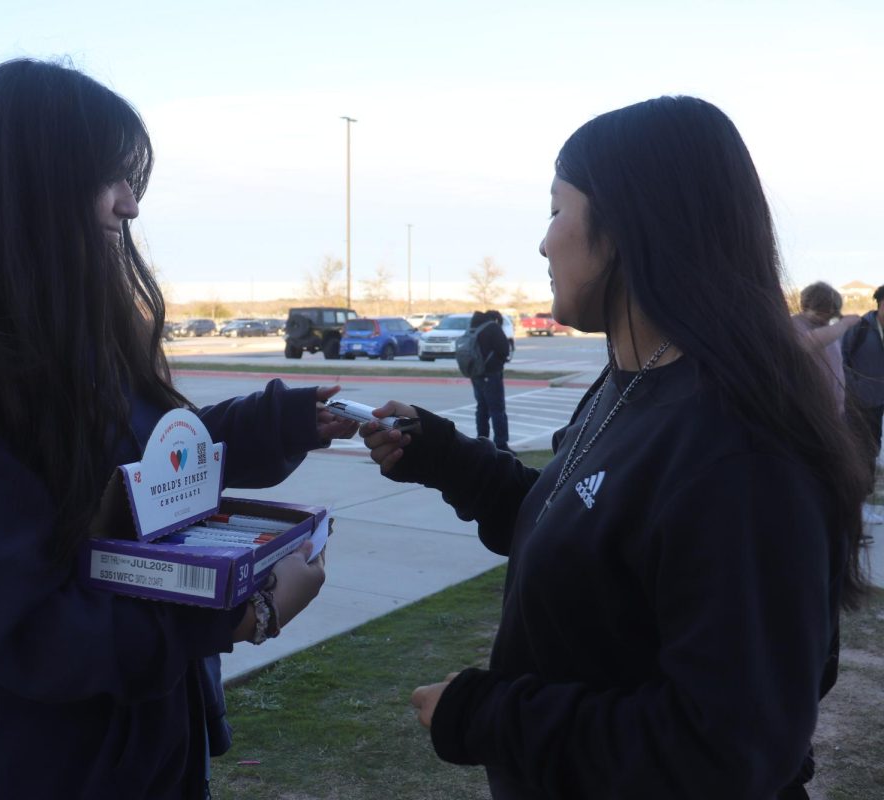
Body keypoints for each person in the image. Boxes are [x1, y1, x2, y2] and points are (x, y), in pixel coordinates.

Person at [0, 58, 355, 800]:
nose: (129, 205)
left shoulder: (71, 328)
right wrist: (241, 615)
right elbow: (36, 633)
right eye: (110, 177)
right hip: (34, 771)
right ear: (31, 185)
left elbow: (146, 468)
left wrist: (280, 423)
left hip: (146, 755)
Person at [359, 96, 871, 799]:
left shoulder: (740, 450)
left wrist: (486, 715)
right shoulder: (631, 382)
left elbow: (727, 750)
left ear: (627, 224)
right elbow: (581, 531)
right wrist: (441, 456)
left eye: (555, 209)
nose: (542, 244)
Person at [791, 281, 859, 412]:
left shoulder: (829, 328)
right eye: (823, 312)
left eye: (832, 313)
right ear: (806, 306)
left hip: (835, 410)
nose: (827, 318)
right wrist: (843, 324)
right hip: (812, 412)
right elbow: (806, 344)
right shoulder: (794, 325)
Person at [843, 284, 884, 483]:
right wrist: (856, 386)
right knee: (862, 442)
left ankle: (867, 481)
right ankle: (859, 483)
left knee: (874, 442)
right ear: (879, 304)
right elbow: (842, 360)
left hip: (878, 398)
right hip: (862, 399)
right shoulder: (860, 328)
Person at [468, 309, 511, 449]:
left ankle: (482, 440)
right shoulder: (493, 327)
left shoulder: (473, 327)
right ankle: (501, 443)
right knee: (497, 409)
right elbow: (504, 350)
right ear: (496, 319)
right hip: (491, 374)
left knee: (482, 408)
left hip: (476, 374)